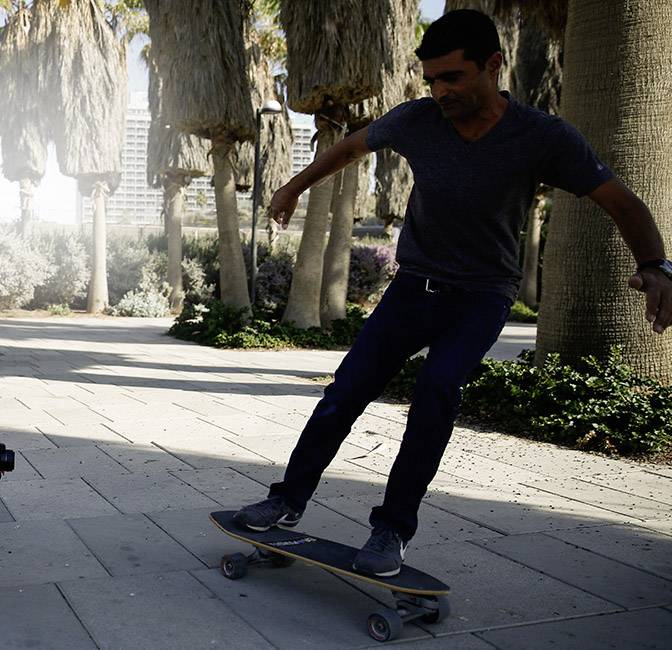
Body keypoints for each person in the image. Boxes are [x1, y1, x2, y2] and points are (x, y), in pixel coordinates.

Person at [234, 9, 671, 577]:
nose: (440, 91)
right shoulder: (418, 120)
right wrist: (292, 186)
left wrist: (656, 266)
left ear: (493, 66)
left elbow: (622, 201)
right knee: (345, 391)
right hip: (414, 286)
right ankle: (287, 500)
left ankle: (391, 530)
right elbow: (351, 147)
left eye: (453, 78)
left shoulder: (543, 137)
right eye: (432, 80)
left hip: (482, 295)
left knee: (438, 391)